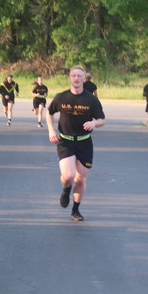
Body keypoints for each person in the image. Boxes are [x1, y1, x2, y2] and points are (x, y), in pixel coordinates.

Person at [47, 65, 105, 222]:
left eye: (80, 76)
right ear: (70, 78)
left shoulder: (91, 99)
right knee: (68, 176)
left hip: (84, 143)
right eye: (74, 75)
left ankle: (75, 210)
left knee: (80, 179)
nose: (77, 78)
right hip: (65, 141)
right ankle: (66, 190)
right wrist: (51, 131)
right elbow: (49, 112)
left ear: (84, 78)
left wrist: (94, 124)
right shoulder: (61, 97)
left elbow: (102, 119)